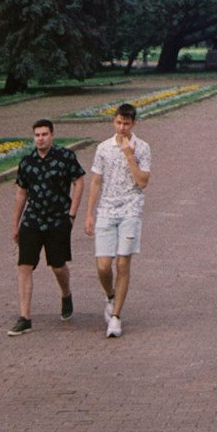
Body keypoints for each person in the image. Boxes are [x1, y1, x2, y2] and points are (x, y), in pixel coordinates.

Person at [9, 119, 85, 335]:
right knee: (24, 265)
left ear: (52, 135)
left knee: (58, 265)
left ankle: (66, 294)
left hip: (57, 219)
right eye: (37, 135)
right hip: (32, 220)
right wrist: (15, 223)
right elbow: (21, 192)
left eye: (44, 134)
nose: (40, 138)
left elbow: (79, 181)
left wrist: (72, 214)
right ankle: (25, 317)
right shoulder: (27, 162)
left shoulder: (65, 158)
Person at [84, 103, 151, 338]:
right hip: (106, 210)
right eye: (118, 122)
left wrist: (129, 156)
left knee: (123, 263)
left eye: (126, 123)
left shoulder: (142, 148)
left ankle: (116, 317)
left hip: (130, 210)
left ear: (133, 124)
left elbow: (143, 181)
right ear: (114, 122)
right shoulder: (103, 148)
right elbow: (95, 182)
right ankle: (110, 296)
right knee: (103, 265)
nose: (122, 128)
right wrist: (90, 214)